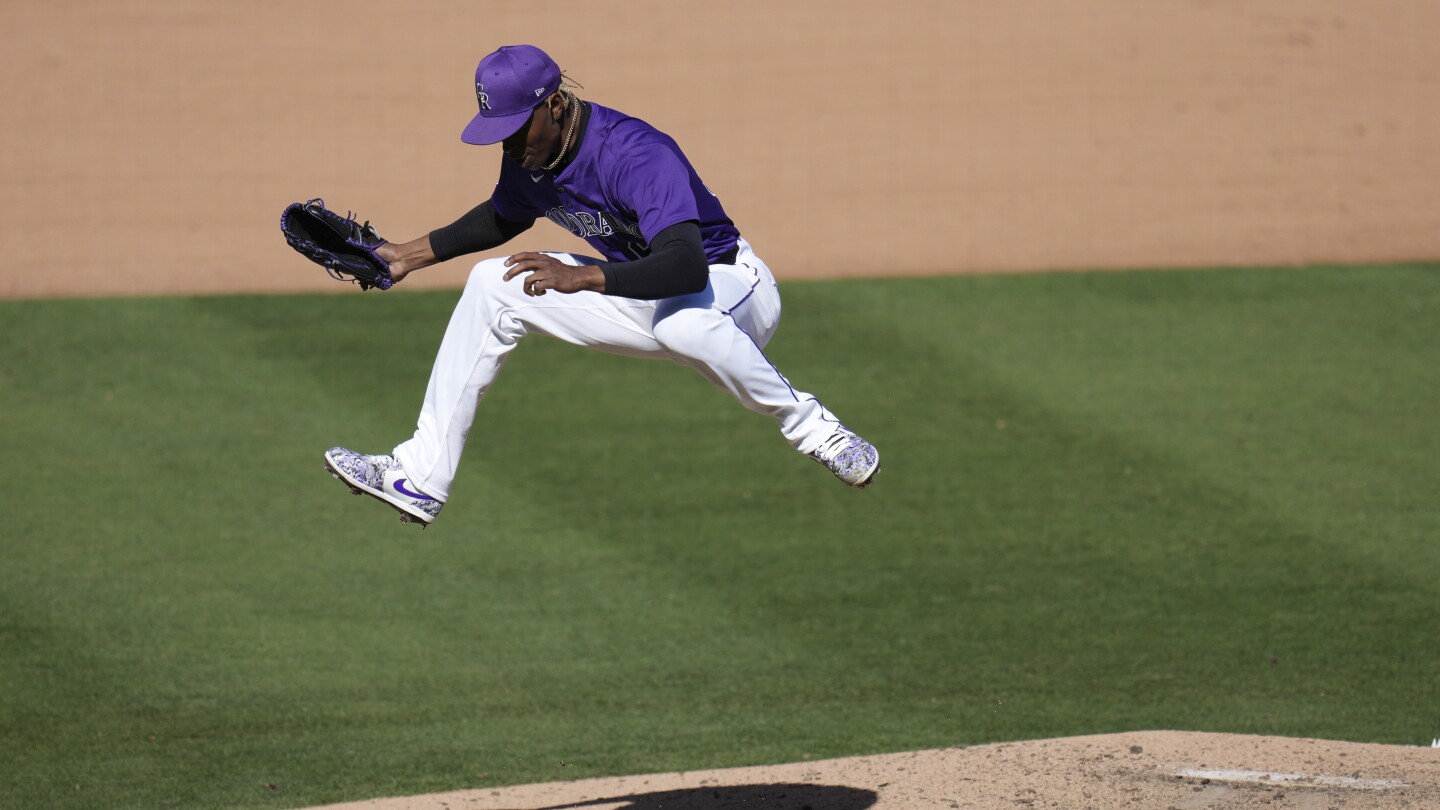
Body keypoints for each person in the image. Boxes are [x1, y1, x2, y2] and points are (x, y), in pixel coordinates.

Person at [323, 44, 879, 526]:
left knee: (683, 324)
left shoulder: (636, 153)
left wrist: (584, 276)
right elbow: (502, 215)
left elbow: (686, 266)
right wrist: (404, 257)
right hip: (644, 296)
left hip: (730, 288)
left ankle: (817, 430)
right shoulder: (529, 155)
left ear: (554, 105)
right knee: (493, 284)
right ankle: (420, 476)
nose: (509, 146)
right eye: (499, 133)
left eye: (515, 129)